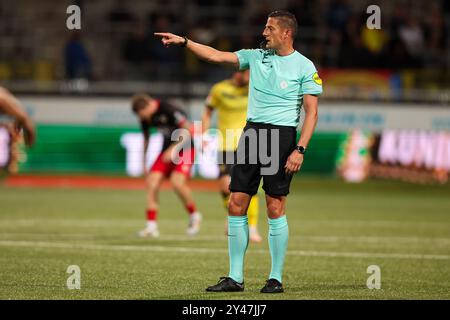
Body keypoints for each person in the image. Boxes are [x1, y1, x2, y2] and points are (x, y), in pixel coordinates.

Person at [155, 10, 322, 293]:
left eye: (270, 28)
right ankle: (235, 278)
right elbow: (215, 56)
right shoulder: (256, 56)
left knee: (275, 206)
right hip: (252, 133)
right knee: (236, 203)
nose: (264, 32)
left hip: (281, 137)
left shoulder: (305, 67)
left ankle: (276, 278)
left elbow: (312, 113)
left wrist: (300, 149)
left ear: (286, 33)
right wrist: (185, 42)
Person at [201, 70, 262, 243]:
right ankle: (232, 216)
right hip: (225, 145)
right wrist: (204, 135)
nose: (251, 76)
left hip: (249, 142)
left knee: (250, 187)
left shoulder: (255, 87)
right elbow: (207, 111)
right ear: (238, 72)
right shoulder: (219, 89)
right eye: (248, 73)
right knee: (224, 187)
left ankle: (252, 228)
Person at [131, 94, 202, 238]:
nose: (142, 118)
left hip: (186, 148)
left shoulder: (169, 108)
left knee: (177, 182)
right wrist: (143, 163)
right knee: (152, 182)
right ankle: (151, 227)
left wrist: (174, 148)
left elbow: (188, 129)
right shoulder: (145, 117)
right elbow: (146, 139)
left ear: (147, 106)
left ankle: (194, 215)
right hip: (167, 151)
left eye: (142, 114)